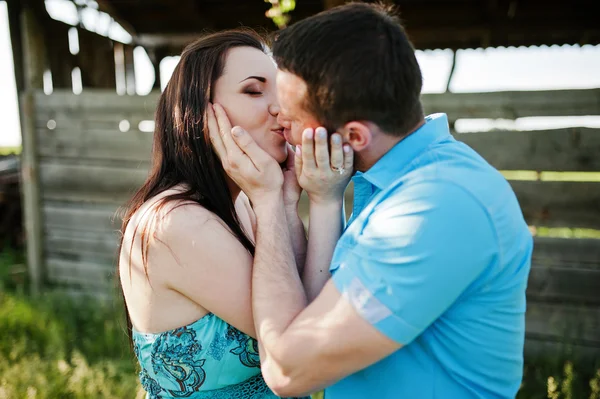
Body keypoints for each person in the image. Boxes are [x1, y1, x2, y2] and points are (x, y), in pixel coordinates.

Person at [207, 3, 534, 399]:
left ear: (355, 137)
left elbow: (285, 370)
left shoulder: (434, 209)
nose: (281, 126)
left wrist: (268, 201)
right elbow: (314, 315)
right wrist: (317, 200)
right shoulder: (393, 181)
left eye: (292, 120)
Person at [117, 29, 348, 399]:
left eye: (280, 91)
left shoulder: (240, 202)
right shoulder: (176, 224)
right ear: (199, 113)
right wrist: (275, 200)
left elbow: (312, 299)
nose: (280, 109)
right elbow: (306, 339)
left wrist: (301, 201)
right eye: (255, 91)